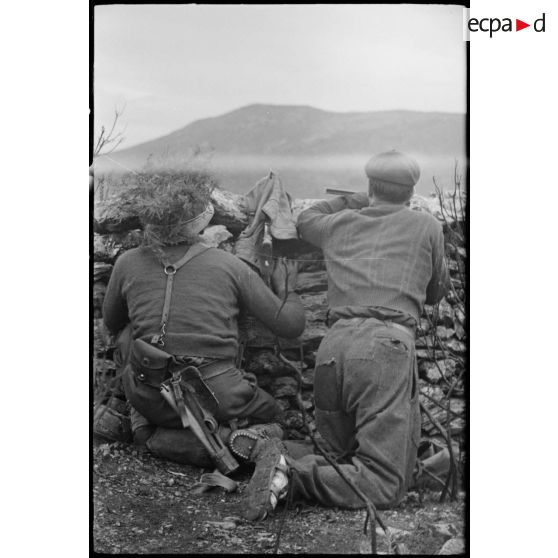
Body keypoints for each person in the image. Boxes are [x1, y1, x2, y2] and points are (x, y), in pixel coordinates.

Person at [101, 177, 305, 518]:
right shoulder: (230, 266)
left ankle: (160, 435)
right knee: (270, 410)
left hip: (151, 396)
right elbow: (291, 325)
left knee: (132, 357)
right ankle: (242, 441)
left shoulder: (127, 263)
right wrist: (290, 290)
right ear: (201, 222)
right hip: (219, 394)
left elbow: (111, 321)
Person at [272, 150, 450, 510]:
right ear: (411, 194)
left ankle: (276, 466)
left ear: (370, 186)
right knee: (384, 486)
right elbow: (437, 292)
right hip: (384, 349)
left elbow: (306, 218)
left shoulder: (341, 222)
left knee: (344, 458)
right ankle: (293, 473)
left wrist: (352, 200)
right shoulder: (426, 226)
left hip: (333, 349)